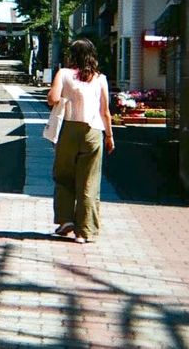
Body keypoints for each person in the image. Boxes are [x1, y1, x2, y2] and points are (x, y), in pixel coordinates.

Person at [46, 38, 115, 243]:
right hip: (93, 132)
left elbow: (52, 98)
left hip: (68, 129)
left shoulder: (64, 74)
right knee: (89, 182)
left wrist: (66, 97)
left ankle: (66, 220)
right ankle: (84, 232)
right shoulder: (100, 79)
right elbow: (105, 111)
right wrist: (109, 136)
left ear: (72, 55)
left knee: (64, 175)